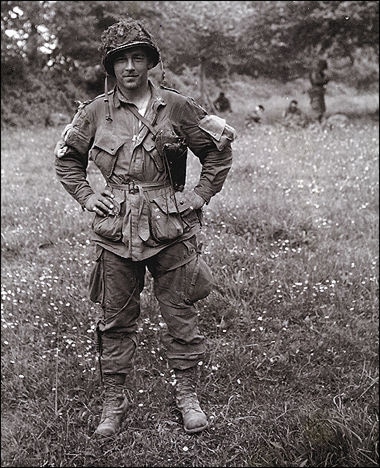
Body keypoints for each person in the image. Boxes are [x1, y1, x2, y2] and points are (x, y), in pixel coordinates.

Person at [54, 18, 235, 438]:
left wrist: (198, 195)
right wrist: (86, 195)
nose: (130, 67)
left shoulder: (179, 106)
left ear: (151, 62)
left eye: (139, 57)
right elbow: (67, 159)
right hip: (116, 231)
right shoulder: (95, 112)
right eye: (122, 60)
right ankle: (113, 404)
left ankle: (188, 396)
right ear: (111, 67)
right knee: (115, 320)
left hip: (172, 227)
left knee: (181, 316)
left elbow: (218, 151)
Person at [308, 58, 329, 123]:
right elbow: (315, 81)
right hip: (315, 91)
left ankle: (320, 121)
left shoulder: (319, 72)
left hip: (319, 91)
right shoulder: (315, 72)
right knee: (317, 107)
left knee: (321, 108)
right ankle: (316, 121)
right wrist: (325, 80)